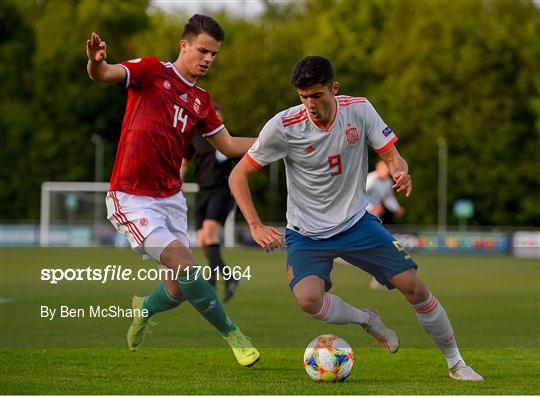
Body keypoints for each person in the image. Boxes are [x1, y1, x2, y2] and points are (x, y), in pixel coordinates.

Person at [229, 56, 483, 380]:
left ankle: (456, 363)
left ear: (334, 88)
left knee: (415, 288)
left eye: (317, 95)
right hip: (305, 233)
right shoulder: (283, 126)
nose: (309, 104)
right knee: (307, 299)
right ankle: (367, 320)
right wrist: (255, 224)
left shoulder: (360, 109)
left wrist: (400, 171)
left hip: (355, 223)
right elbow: (238, 176)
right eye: (303, 97)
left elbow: (391, 155)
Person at [86, 14, 259, 367]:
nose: (209, 59)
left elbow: (226, 145)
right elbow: (104, 74)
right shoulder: (151, 71)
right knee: (186, 266)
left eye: (214, 54)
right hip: (131, 197)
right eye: (203, 51)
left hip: (171, 199)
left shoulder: (202, 101)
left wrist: (277, 142)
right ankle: (234, 336)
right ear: (184, 45)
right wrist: (95, 61)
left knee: (179, 288)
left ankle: (144, 307)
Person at [180, 106, 240, 302]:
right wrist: (176, 184)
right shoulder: (195, 137)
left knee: (209, 233)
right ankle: (226, 279)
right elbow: (184, 162)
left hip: (221, 191)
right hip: (202, 191)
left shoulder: (227, 138)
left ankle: (215, 282)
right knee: (203, 240)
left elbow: (248, 158)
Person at [366, 159, 405, 289]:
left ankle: (379, 278)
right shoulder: (370, 179)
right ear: (377, 168)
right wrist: (371, 207)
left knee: (377, 246)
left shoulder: (387, 182)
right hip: (361, 216)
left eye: (387, 168)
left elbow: (388, 198)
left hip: (373, 217)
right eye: (384, 168)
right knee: (377, 246)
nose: (386, 170)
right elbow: (357, 196)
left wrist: (396, 208)